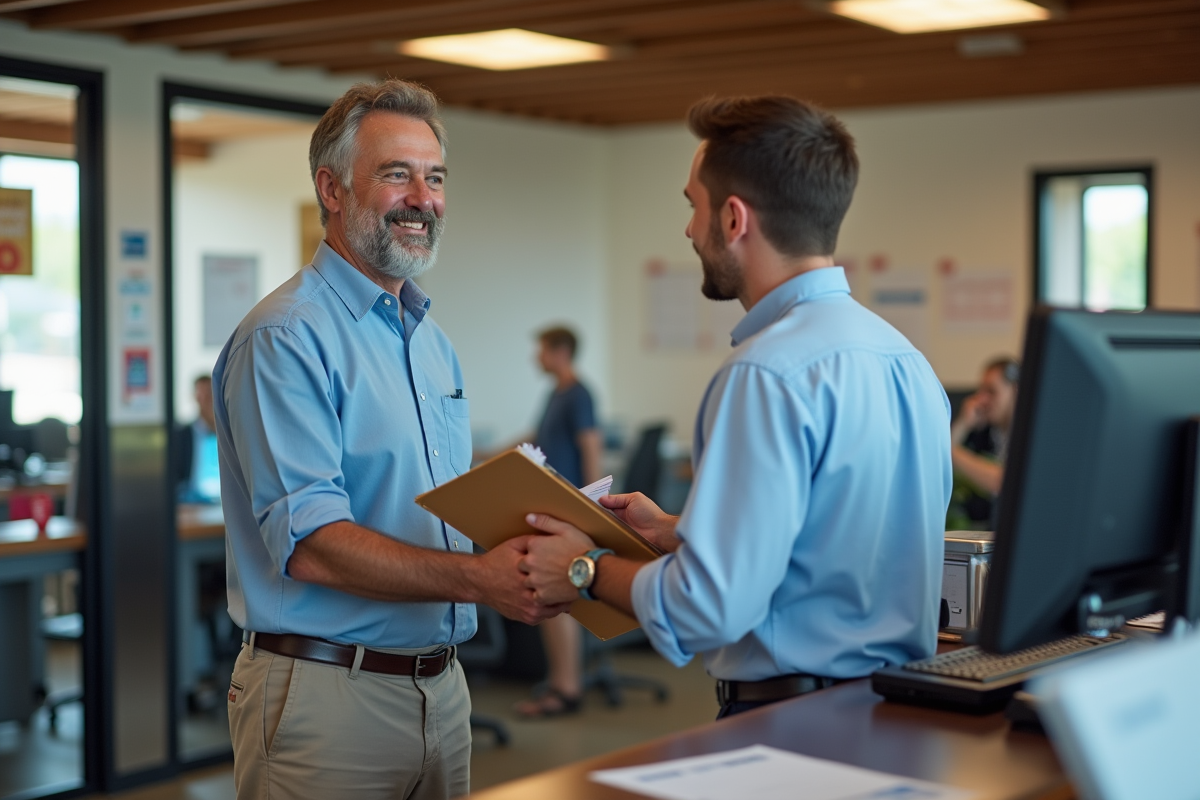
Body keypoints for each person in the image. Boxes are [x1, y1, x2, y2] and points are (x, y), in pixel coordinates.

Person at [519, 95, 953, 718]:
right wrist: (677, 533)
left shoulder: (765, 373)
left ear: (733, 219)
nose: (688, 230)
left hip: (790, 723)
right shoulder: (906, 360)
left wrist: (585, 567)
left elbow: (707, 607)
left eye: (693, 207)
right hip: (889, 711)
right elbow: (841, 544)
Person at [212, 80, 567, 800]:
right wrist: (481, 578)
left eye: (434, 178)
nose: (422, 198)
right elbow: (310, 542)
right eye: (396, 173)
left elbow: (437, 505)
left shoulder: (429, 341)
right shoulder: (286, 337)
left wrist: (544, 530)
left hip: (441, 688)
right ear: (332, 189)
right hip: (325, 696)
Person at [514, 326, 601, 718]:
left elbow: (591, 449)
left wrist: (593, 507)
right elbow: (535, 439)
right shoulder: (556, 394)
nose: (537, 357)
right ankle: (563, 682)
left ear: (561, 352)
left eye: (542, 350)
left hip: (569, 508)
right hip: (553, 503)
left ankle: (567, 687)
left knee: (556, 597)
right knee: (551, 597)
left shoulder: (579, 395)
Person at [947, 358, 1019, 528]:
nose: (982, 399)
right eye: (981, 391)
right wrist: (963, 424)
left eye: (991, 392)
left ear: (1016, 392)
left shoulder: (1031, 435)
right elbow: (937, 464)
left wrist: (951, 452)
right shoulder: (982, 431)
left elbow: (1003, 482)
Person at [175, 374, 220, 504]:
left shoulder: (231, 433)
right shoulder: (182, 435)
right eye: (204, 396)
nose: (208, 401)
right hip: (193, 505)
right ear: (196, 398)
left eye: (211, 395)